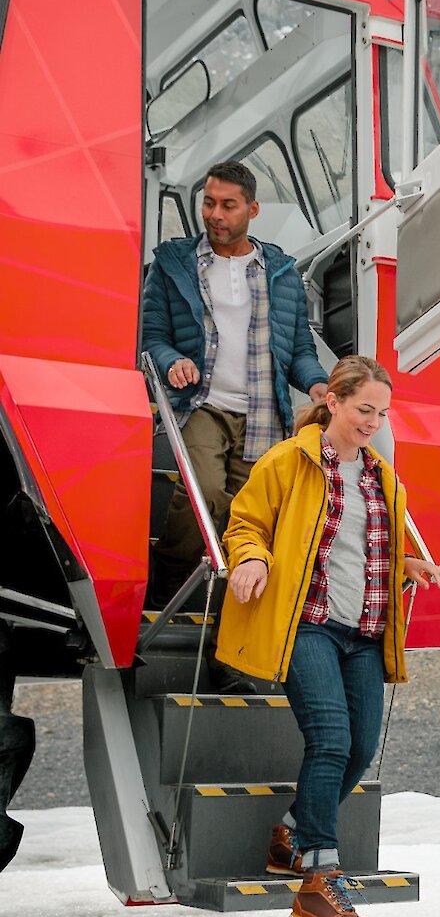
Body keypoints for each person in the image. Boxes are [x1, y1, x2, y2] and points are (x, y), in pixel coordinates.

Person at [217, 355, 440, 917]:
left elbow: (369, 550)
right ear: (335, 403)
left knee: (360, 747)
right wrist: (250, 559)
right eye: (364, 408)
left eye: (382, 413)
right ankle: (318, 882)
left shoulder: (381, 476)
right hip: (309, 624)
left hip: (364, 632)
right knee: (330, 739)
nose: (372, 421)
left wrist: (409, 563)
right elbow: (245, 522)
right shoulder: (289, 461)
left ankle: (290, 834)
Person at [142, 160, 329, 595]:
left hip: (265, 414)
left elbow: (298, 347)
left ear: (253, 210)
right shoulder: (173, 264)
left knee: (252, 515)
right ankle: (167, 588)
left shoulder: (281, 273)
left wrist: (317, 383)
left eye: (228, 205)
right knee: (203, 495)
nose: (215, 215)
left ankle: (230, 609)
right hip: (202, 404)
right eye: (208, 203)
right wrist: (172, 362)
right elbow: (152, 337)